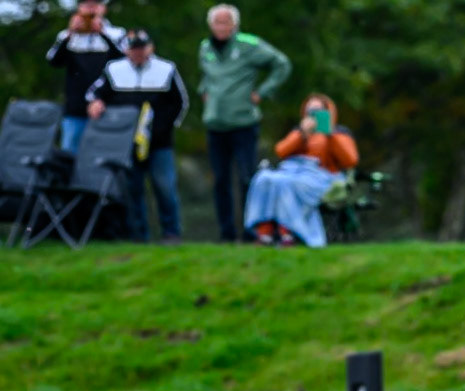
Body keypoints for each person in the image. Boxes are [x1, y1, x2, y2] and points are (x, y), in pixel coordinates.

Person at [198, 5, 292, 243]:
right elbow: (207, 76)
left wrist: (262, 92)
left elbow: (282, 64)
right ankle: (226, 234)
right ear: (211, 25)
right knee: (220, 181)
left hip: (243, 123)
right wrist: (204, 91)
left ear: (234, 25)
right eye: (217, 22)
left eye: (226, 22)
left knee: (246, 178)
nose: (221, 27)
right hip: (215, 123)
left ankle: (252, 231)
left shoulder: (249, 44)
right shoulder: (205, 47)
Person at [86, 29, 189, 245]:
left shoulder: (166, 69)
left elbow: (180, 102)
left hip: (159, 143)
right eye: (134, 49)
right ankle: (138, 235)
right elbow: (93, 93)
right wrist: (96, 102)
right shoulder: (114, 69)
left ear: (150, 48)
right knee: (132, 189)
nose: (138, 53)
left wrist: (163, 128)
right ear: (127, 50)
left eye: (142, 48)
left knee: (165, 187)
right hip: (127, 143)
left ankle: (171, 233)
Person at [245, 93, 359, 247]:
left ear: (328, 112)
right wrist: (301, 134)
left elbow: (351, 160)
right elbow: (281, 151)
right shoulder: (299, 132)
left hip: (321, 176)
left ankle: (288, 232)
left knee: (286, 184)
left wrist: (330, 135)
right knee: (263, 178)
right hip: (291, 171)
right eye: (310, 111)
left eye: (318, 111)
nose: (314, 115)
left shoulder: (340, 133)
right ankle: (265, 232)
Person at [48, 0, 128, 153]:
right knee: (70, 154)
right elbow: (54, 61)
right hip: (75, 109)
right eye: (86, 4)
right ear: (79, 8)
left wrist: (102, 33)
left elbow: (124, 61)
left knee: (105, 154)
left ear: (103, 8)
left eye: (95, 4)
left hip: (107, 108)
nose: (90, 9)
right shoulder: (66, 36)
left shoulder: (116, 33)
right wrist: (70, 34)